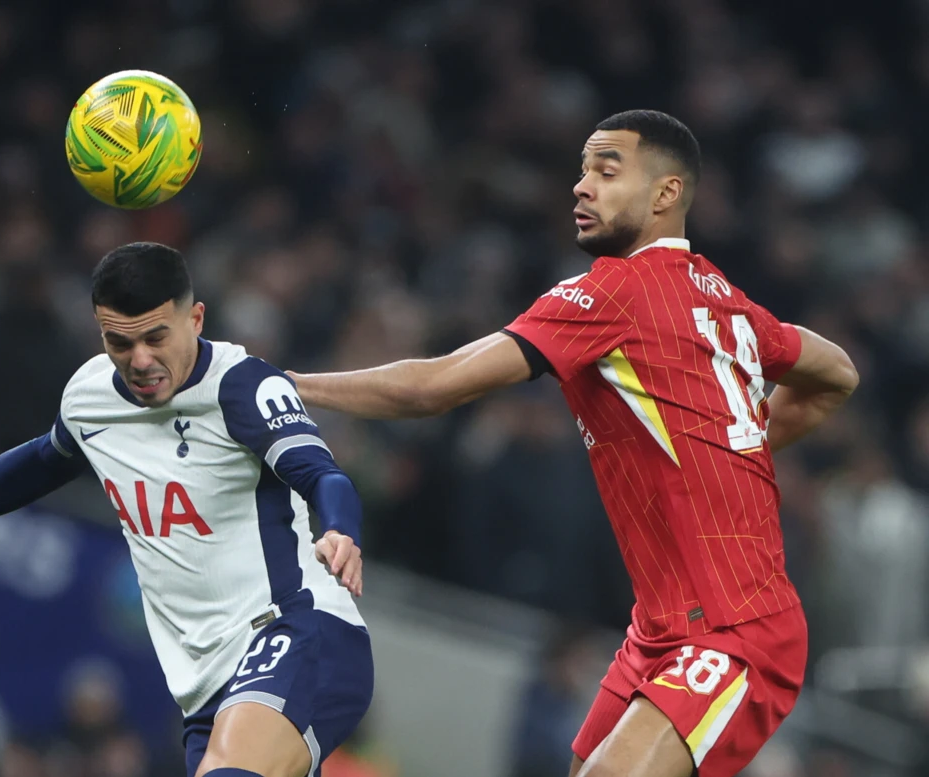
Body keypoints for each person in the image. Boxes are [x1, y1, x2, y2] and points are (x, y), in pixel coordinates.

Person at [289, 110, 859, 777]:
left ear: (665, 194)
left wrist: (286, 383)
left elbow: (433, 387)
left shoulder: (612, 292)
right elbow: (836, 374)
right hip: (660, 631)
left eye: (606, 170)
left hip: (733, 627)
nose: (581, 187)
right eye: (583, 170)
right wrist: (739, 449)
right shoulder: (724, 299)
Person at [0, 242, 374, 777]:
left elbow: (323, 474)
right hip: (205, 686)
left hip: (297, 631)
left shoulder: (243, 386)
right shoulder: (91, 396)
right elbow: (41, 462)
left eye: (155, 337)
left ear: (195, 319)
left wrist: (340, 530)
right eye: (119, 342)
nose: (139, 360)